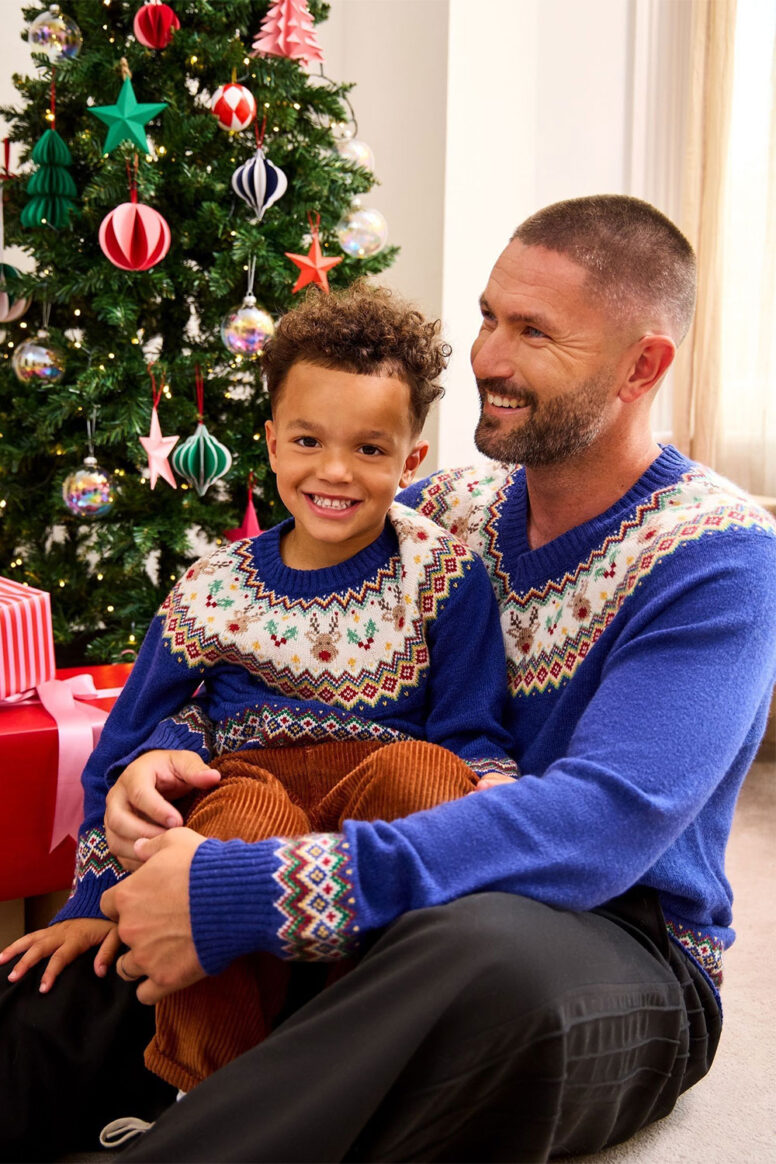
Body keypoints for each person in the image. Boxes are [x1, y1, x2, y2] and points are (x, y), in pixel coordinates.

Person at [3, 195, 776, 1164]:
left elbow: (598, 826)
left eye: (533, 333)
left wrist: (265, 892)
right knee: (108, 944)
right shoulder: (435, 515)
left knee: (471, 956)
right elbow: (260, 638)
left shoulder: (717, 553)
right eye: (489, 316)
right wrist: (155, 765)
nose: (486, 357)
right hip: (374, 870)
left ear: (641, 366)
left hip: (615, 941)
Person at [0, 286, 518, 1154]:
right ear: (271, 440)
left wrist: (498, 814)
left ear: (412, 457)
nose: (335, 472)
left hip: (379, 792)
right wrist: (95, 898)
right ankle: (211, 1098)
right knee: (231, 829)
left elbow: (473, 733)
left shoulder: (441, 572)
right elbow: (127, 744)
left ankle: (360, 1060)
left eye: (369, 448)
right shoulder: (216, 586)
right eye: (308, 441)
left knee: (426, 779)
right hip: (253, 777)